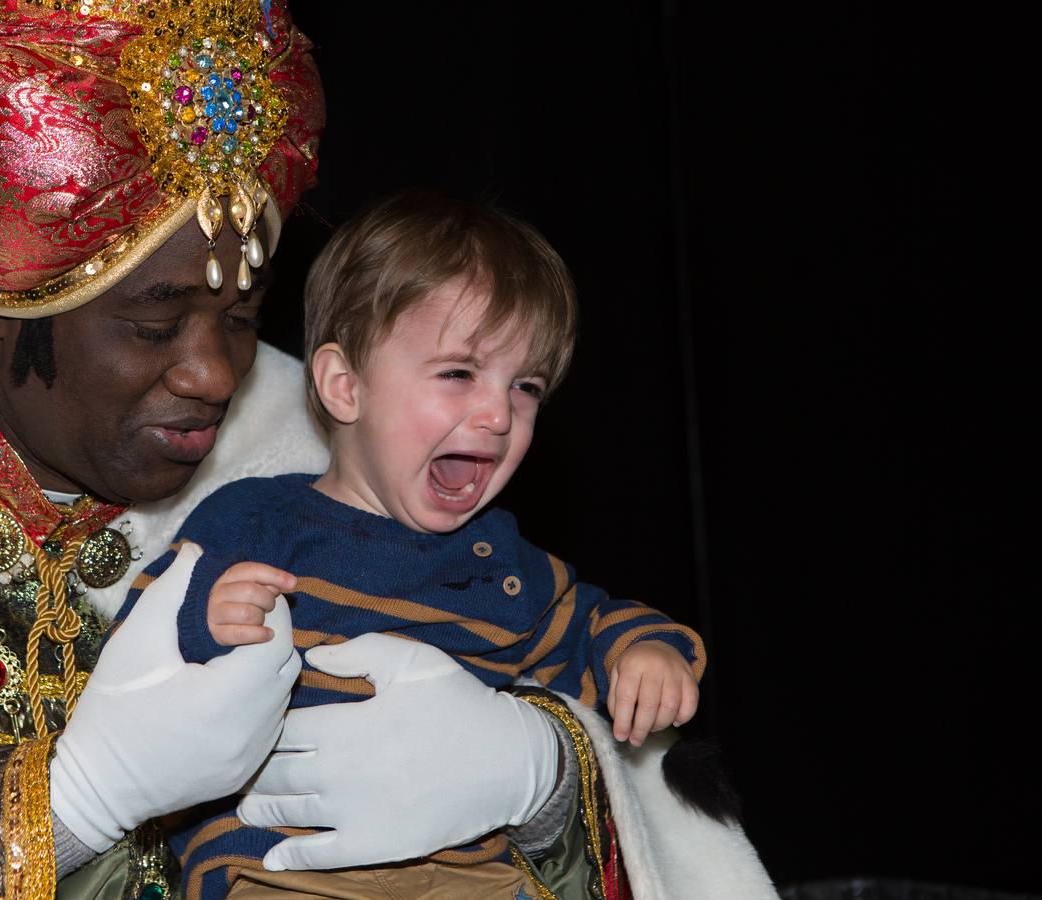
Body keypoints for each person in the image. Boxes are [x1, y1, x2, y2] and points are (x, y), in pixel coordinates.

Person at [0, 3, 597, 897]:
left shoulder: (333, 455)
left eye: (243, 319)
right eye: (153, 324)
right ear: (0, 319)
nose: (214, 374)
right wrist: (74, 802)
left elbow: (641, 789)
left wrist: (542, 775)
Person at [113, 189, 708, 898]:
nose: (497, 414)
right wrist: (205, 625)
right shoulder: (254, 523)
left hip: (467, 876)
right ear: (343, 386)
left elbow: (588, 624)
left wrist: (644, 653)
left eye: (525, 386)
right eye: (458, 373)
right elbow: (134, 667)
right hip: (282, 873)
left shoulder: (502, 564)